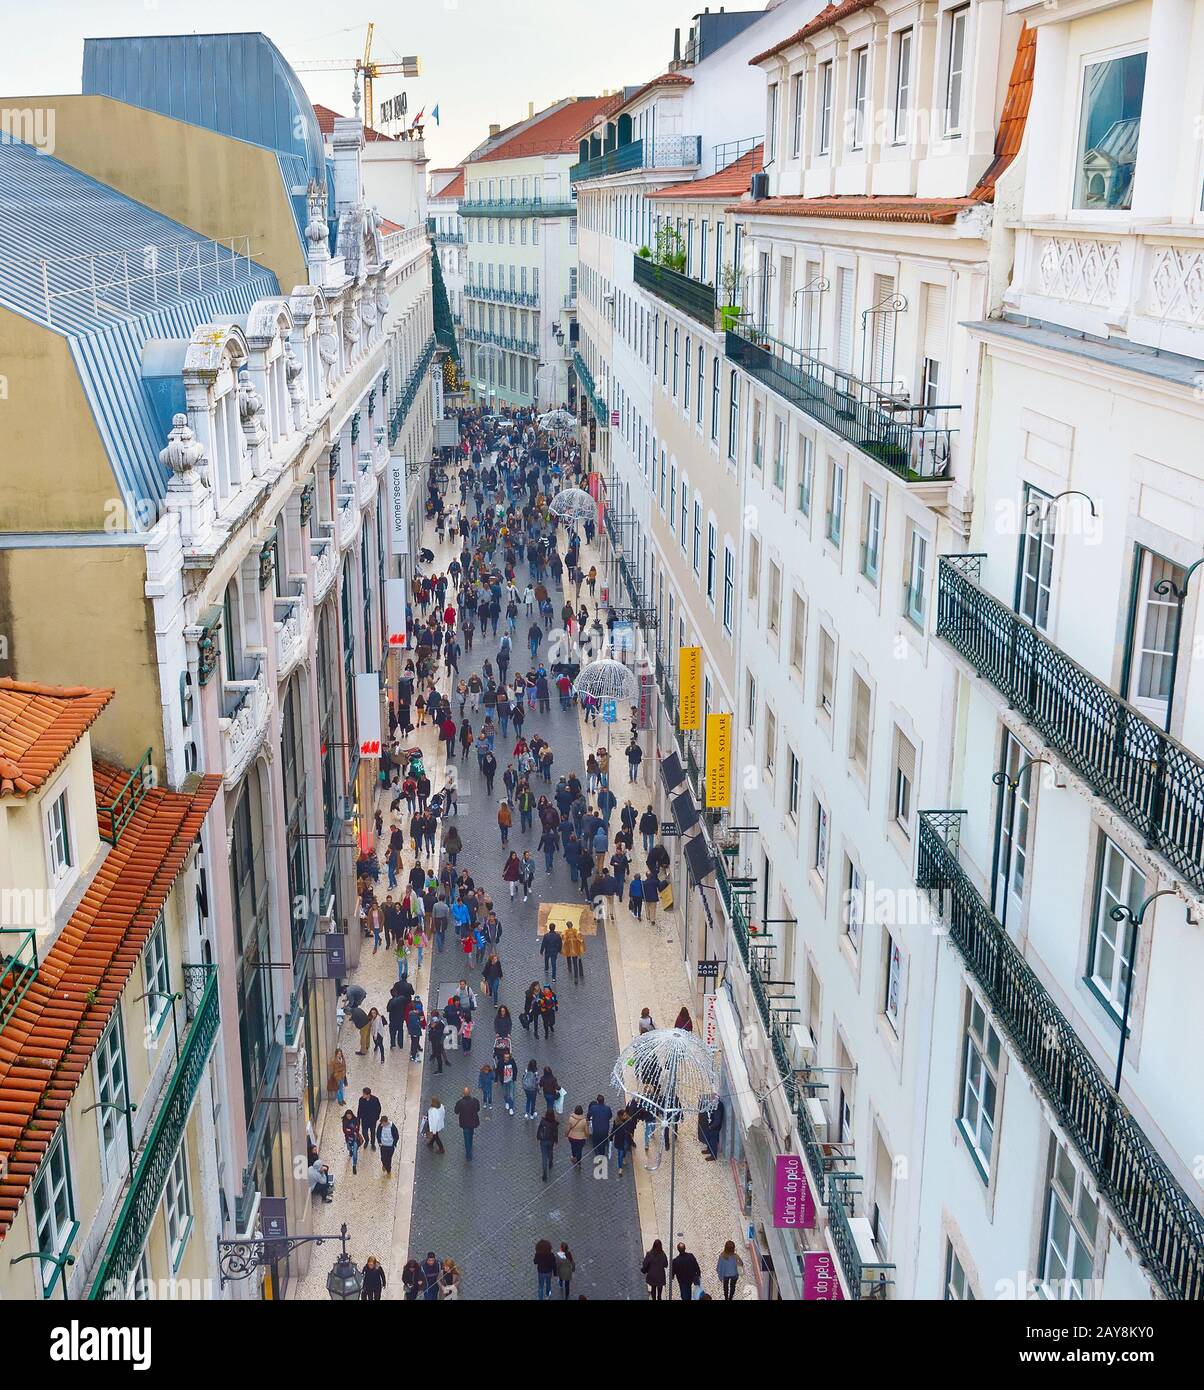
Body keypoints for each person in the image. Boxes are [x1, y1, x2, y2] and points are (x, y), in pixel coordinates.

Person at [454, 1086, 481, 1160]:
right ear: (470, 1093)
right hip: (473, 1122)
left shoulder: (460, 1102)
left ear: (463, 1094)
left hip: (464, 1123)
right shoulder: (475, 1101)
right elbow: (478, 1109)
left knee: (466, 1139)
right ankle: (470, 1145)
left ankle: (469, 1155)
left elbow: (456, 1111)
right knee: (471, 1134)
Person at [536, 1108, 559, 1181]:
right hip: (550, 1141)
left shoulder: (543, 1122)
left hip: (543, 1140)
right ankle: (550, 1162)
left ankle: (544, 1175)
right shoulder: (554, 1123)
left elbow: (539, 1130)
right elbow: (555, 1133)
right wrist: (556, 1140)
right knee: (550, 1151)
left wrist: (538, 1137)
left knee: (544, 1157)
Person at [587, 1094, 612, 1158]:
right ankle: (602, 1153)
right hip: (605, 1129)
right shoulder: (607, 1108)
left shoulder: (593, 1108)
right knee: (603, 1143)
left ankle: (597, 1152)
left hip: (596, 1129)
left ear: (597, 1101)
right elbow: (610, 1116)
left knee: (595, 1141)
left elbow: (588, 1115)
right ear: (603, 1101)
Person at [357, 1088, 381, 1152]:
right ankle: (367, 1140)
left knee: (373, 1133)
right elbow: (359, 1110)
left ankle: (372, 1144)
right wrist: (358, 1119)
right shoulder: (361, 1099)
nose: (363, 1095)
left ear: (368, 1094)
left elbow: (379, 1109)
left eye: (364, 1094)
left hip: (372, 1121)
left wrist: (376, 1117)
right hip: (364, 1120)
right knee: (364, 1132)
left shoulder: (375, 1099)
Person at [562, 920, 585, 984]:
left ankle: (569, 968)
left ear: (567, 926)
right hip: (575, 950)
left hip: (568, 950)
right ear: (572, 925)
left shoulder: (565, 932)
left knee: (568, 959)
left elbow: (563, 939)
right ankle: (576, 977)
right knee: (575, 964)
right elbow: (580, 939)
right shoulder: (575, 931)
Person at [341, 1109, 361, 1174]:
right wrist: (353, 1130)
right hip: (348, 1139)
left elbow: (357, 1129)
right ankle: (350, 1151)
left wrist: (350, 1130)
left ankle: (354, 1165)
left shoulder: (355, 1120)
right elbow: (344, 1131)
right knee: (349, 1148)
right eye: (347, 1116)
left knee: (355, 1153)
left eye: (350, 1116)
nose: (349, 1117)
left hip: (355, 1139)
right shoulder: (344, 1121)